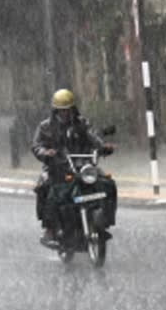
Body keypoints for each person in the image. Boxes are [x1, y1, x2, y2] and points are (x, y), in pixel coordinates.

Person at [31, 89, 114, 244]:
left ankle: (105, 221)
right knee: (48, 188)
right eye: (61, 111)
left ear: (73, 109)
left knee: (107, 184)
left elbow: (93, 136)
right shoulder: (45, 127)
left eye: (67, 110)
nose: (64, 114)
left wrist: (103, 147)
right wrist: (46, 153)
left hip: (83, 166)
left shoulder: (81, 123)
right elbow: (36, 145)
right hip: (57, 167)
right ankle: (50, 229)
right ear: (55, 110)